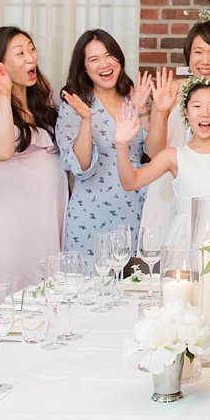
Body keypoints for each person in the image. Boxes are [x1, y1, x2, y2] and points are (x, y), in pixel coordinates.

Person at [0, 27, 68, 292]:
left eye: (32, 49)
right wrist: (4, 95)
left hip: (48, 208)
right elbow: (2, 151)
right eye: (20, 53)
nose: (31, 57)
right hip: (11, 212)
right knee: (10, 281)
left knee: (46, 281)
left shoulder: (45, 101)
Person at [114, 76, 210, 252]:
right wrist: (121, 146)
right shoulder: (173, 156)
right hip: (187, 239)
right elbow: (130, 182)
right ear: (186, 113)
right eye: (196, 106)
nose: (205, 113)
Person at [140, 21, 210, 243]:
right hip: (169, 192)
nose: (205, 60)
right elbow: (154, 151)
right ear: (188, 56)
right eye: (198, 52)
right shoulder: (171, 92)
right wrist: (161, 112)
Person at [57, 30, 151, 254]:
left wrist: (144, 109)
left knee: (133, 283)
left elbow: (154, 151)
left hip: (135, 206)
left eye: (109, 55)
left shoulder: (134, 97)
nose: (104, 64)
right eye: (94, 59)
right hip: (90, 211)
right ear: (84, 68)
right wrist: (86, 120)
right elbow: (79, 166)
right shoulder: (73, 105)